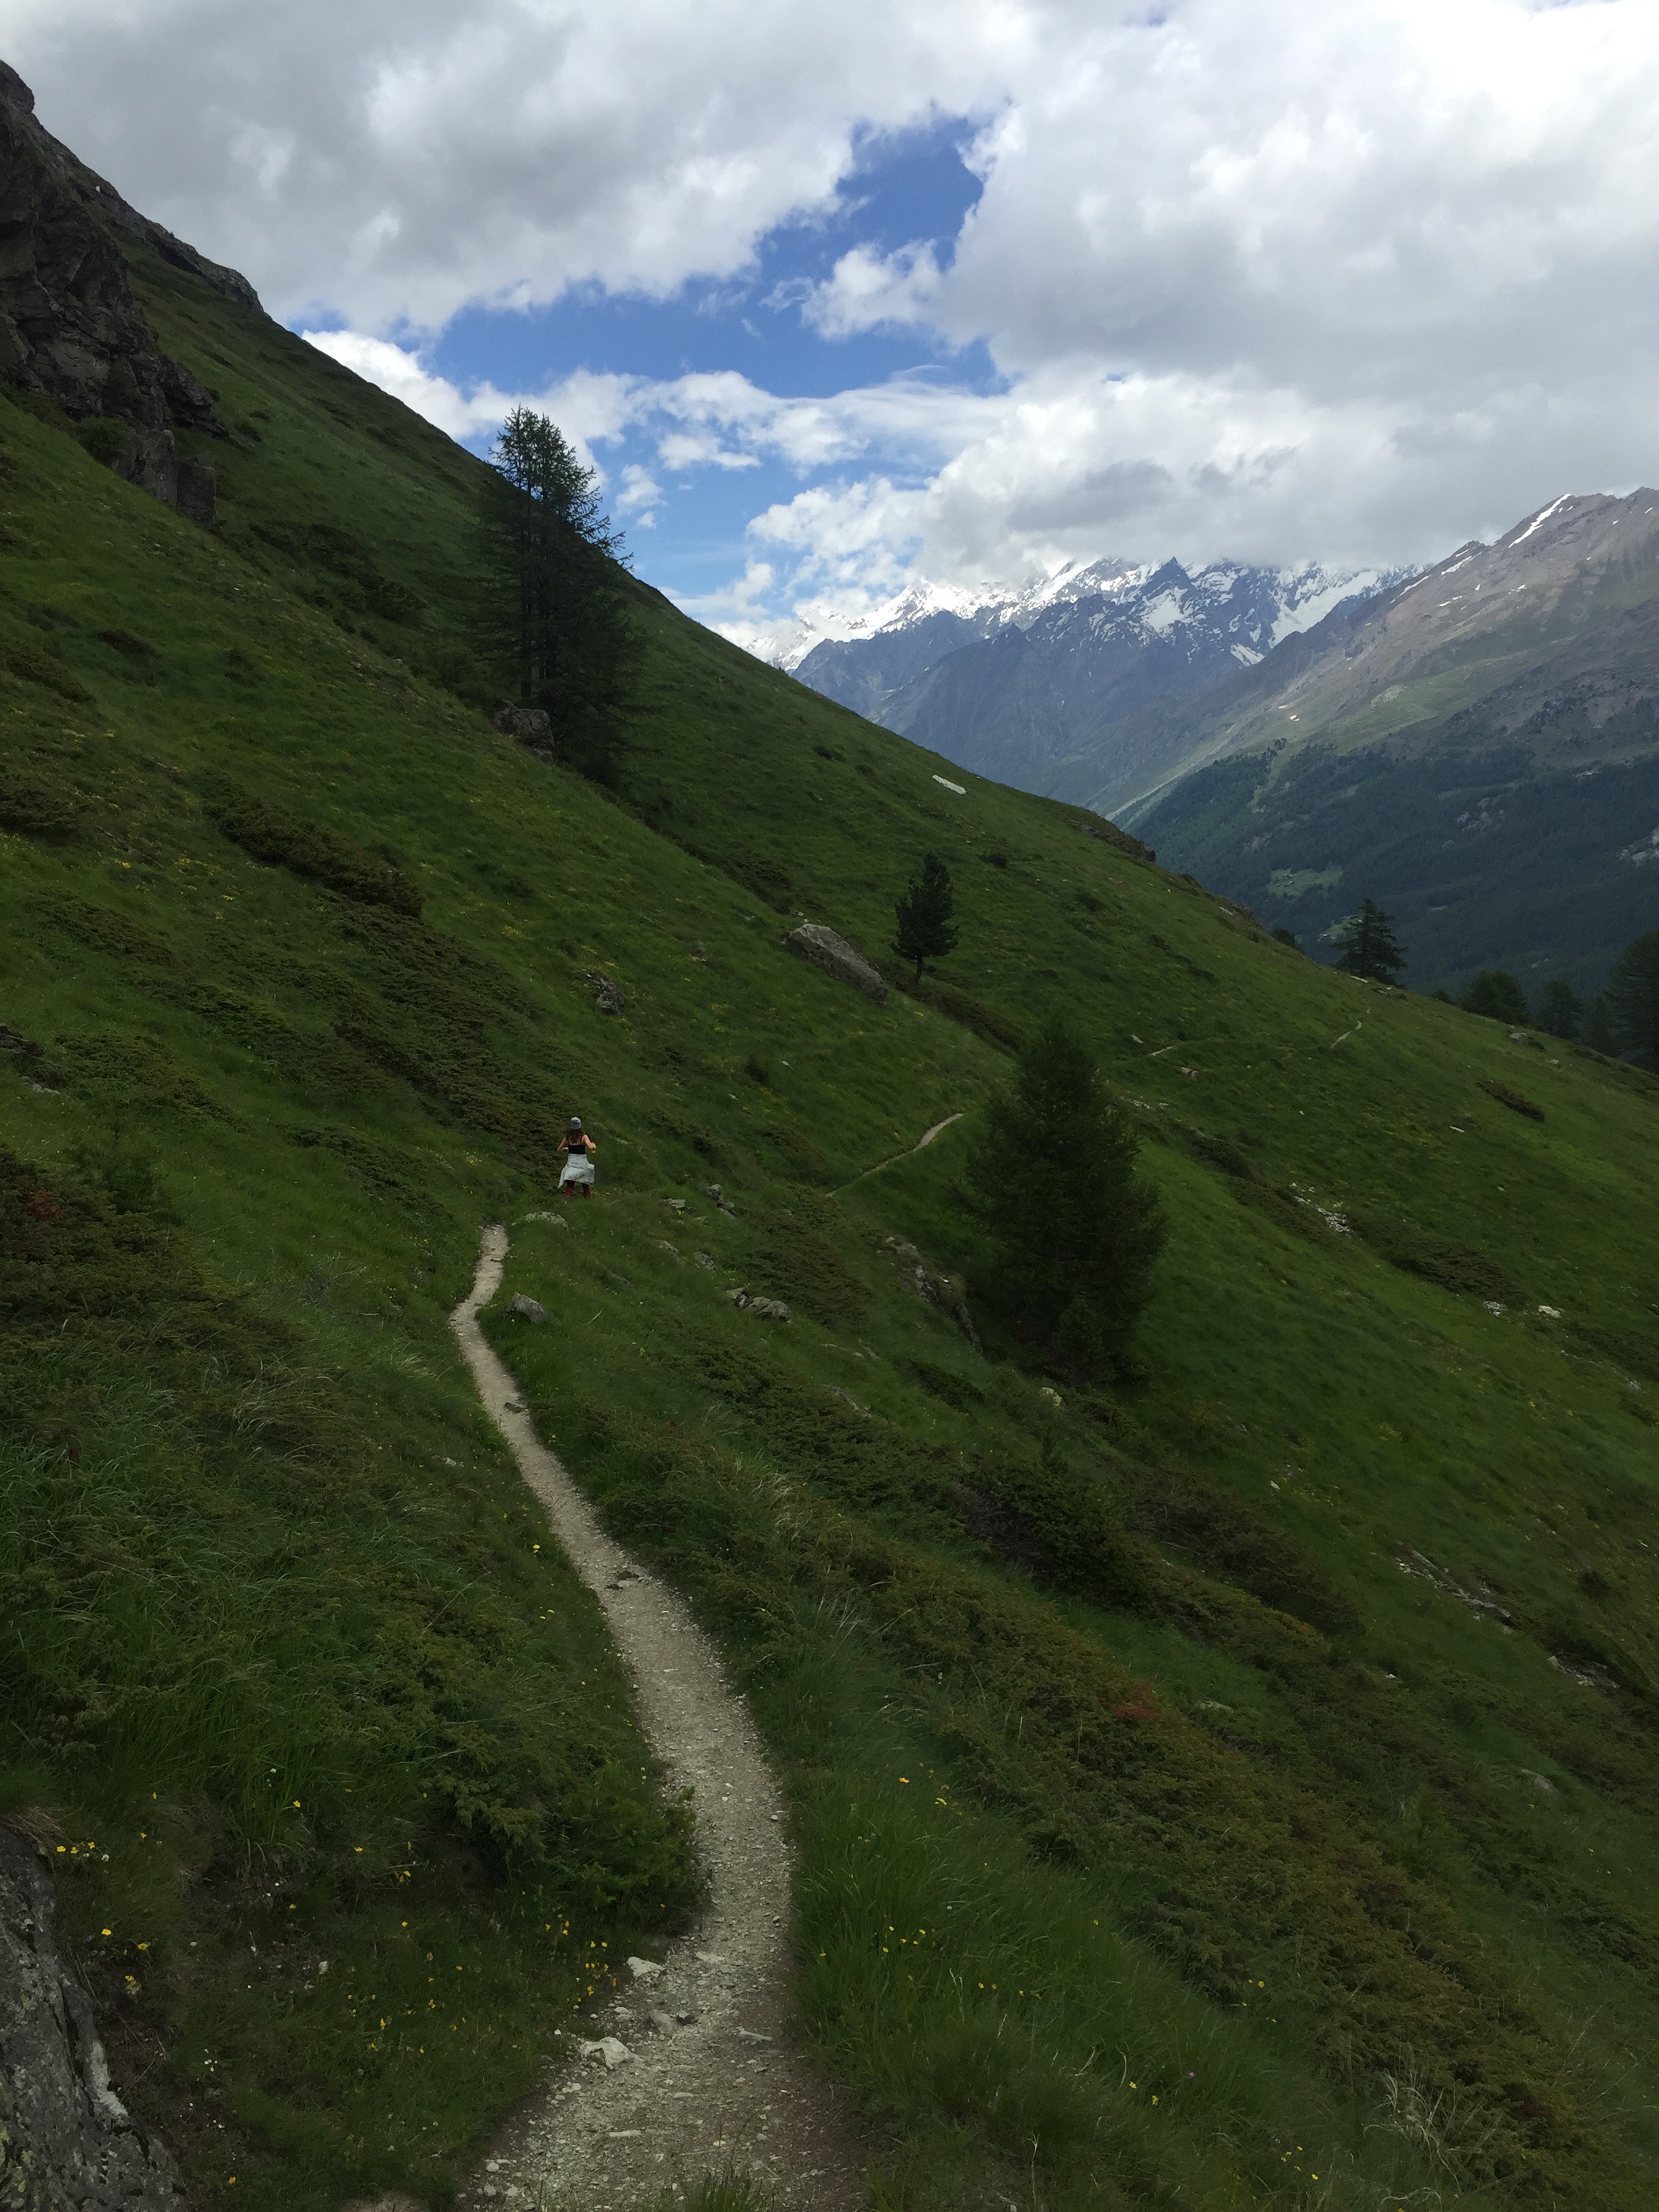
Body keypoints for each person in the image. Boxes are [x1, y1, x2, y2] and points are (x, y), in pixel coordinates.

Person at [557, 1115, 596, 1198]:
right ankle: (587, 1198)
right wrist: (593, 1146)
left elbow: (559, 1149)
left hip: (572, 1162)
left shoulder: (567, 1138)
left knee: (571, 1183)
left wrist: (566, 1149)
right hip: (582, 1162)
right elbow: (590, 1147)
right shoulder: (583, 1137)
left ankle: (567, 1196)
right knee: (585, 1181)